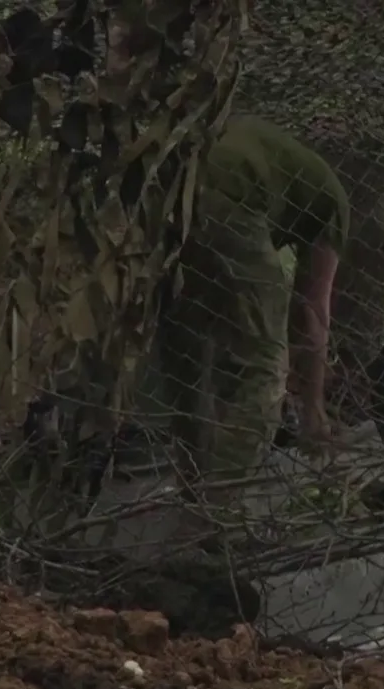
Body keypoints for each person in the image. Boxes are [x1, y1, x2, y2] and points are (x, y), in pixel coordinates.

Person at [158, 114, 350, 485]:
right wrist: (314, 410)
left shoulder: (289, 163)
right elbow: (311, 310)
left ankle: (192, 483)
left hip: (170, 178)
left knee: (188, 347)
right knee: (265, 366)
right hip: (232, 192)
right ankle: (213, 513)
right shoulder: (335, 205)